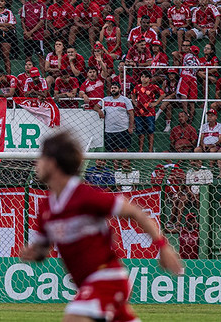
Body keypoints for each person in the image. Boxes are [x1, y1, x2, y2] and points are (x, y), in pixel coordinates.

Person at [20, 132, 182, 322]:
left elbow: (135, 212)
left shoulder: (85, 195)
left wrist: (163, 246)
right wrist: (33, 252)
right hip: (89, 283)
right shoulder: (47, 207)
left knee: (74, 317)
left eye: (41, 158)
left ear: (53, 163)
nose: (37, 163)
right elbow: (42, 249)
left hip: (107, 278)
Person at [97, 80, 134, 152]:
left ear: (120, 89)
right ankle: (115, 162)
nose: (113, 89)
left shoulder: (125, 100)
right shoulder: (105, 100)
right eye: (112, 88)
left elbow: (131, 114)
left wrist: (130, 127)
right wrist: (99, 111)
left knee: (123, 148)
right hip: (109, 129)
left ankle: (124, 160)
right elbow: (96, 106)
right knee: (113, 149)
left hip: (123, 128)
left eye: (115, 88)